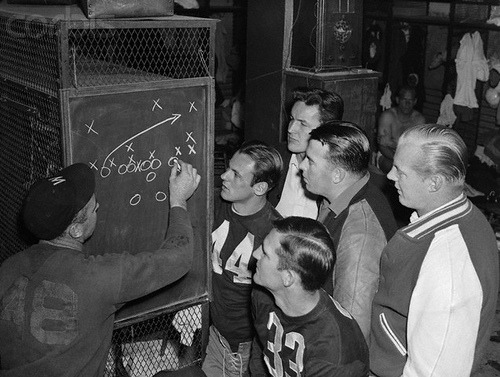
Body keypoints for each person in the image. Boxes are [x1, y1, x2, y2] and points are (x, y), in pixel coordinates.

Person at [0, 161, 201, 377]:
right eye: (92, 208)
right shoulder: (97, 277)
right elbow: (178, 259)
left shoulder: (8, 267)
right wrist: (179, 199)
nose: (98, 207)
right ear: (76, 231)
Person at [370, 124, 500, 377]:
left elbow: (437, 369)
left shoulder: (448, 263)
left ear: (434, 182)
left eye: (401, 171)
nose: (390, 177)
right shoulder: (453, 217)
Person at [298, 121, 397, 340]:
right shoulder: (341, 196)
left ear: (337, 175)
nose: (301, 166)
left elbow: (353, 328)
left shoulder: (360, 236)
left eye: (310, 161)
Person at [249, 217, 369, 377]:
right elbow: (261, 347)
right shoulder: (263, 292)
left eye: (265, 253)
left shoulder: (334, 353)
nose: (255, 254)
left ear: (288, 278)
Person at [202, 141, 283, 377]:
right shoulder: (215, 202)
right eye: (228, 168)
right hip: (214, 333)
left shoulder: (274, 232)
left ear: (259, 188)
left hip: (242, 347)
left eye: (236, 174)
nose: (224, 176)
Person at [268, 87, 344, 219]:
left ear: (326, 130)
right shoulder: (273, 158)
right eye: (291, 119)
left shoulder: (337, 172)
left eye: (302, 124)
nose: (291, 129)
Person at [377, 85, 426, 175]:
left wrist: (392, 144)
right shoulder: (387, 116)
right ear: (397, 100)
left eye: (410, 100)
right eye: (404, 99)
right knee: (394, 168)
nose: (407, 104)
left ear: (415, 101)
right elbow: (383, 146)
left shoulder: (419, 120)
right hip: (388, 157)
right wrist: (399, 160)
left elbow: (417, 148)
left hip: (410, 159)